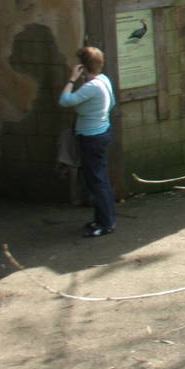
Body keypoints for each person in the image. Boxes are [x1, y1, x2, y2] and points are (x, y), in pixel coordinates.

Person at [59, 45, 116, 237]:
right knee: (99, 179)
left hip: (92, 137)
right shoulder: (104, 80)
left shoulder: (91, 86)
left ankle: (106, 224)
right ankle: (102, 219)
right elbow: (112, 103)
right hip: (102, 131)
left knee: (97, 181)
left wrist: (71, 79)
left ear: (83, 66)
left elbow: (65, 101)